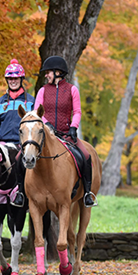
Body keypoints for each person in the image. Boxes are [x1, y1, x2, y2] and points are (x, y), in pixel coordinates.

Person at [34, 55, 96, 207]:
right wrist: (47, 124)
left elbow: (78, 111)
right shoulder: (42, 91)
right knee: (20, 158)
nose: (46, 75)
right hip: (47, 136)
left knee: (86, 156)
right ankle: (22, 193)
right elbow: (36, 111)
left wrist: (74, 127)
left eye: (48, 72)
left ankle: (87, 193)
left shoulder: (72, 89)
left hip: (66, 134)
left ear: (58, 72)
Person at [0, 59, 35, 211]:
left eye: (15, 78)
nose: (13, 81)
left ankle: (23, 194)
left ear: (21, 79)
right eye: (10, 78)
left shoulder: (31, 101)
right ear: (7, 80)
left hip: (23, 144)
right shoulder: (0, 102)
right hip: (3, 144)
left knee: (24, 163)